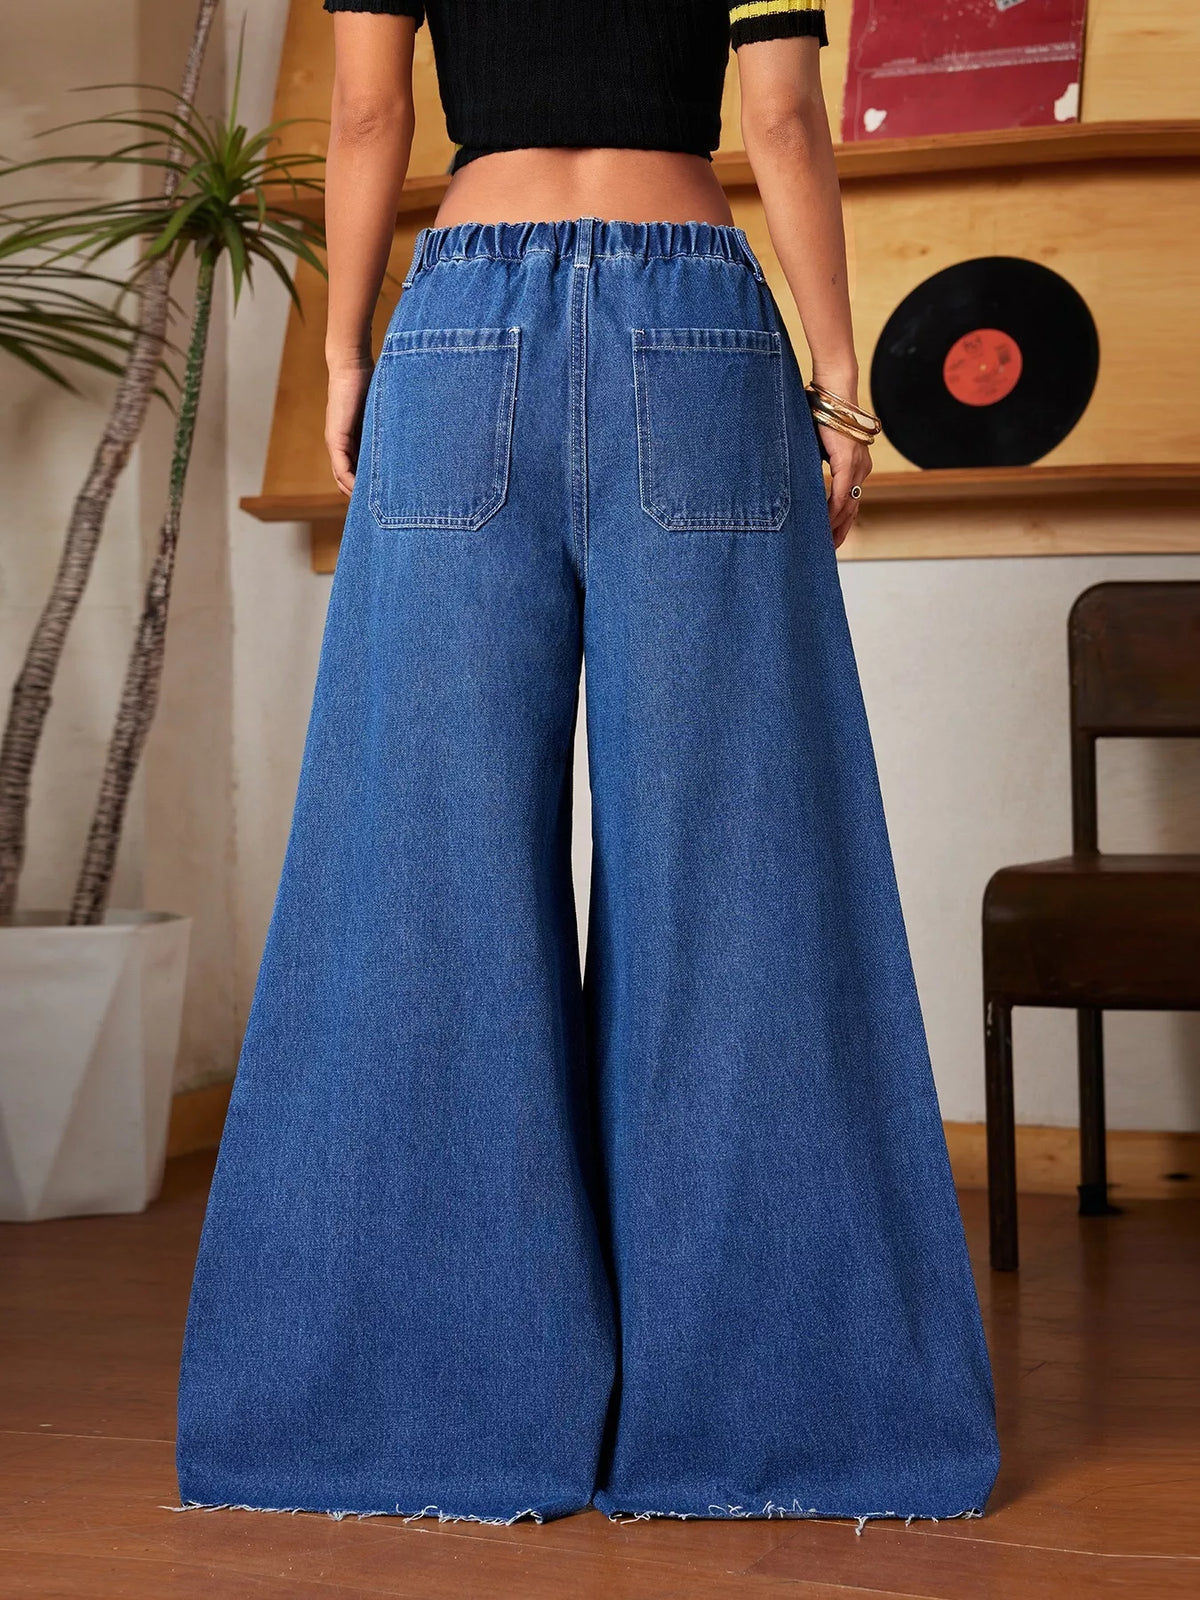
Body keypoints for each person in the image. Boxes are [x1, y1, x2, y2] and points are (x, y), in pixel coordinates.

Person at [175, 0, 1001, 1528]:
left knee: (422, 860)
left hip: (461, 322)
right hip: (691, 322)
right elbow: (783, 123)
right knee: (734, 862)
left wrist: (350, 356)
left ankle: (407, 1414)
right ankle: (780, 1420)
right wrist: (835, 381)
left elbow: (370, 124)